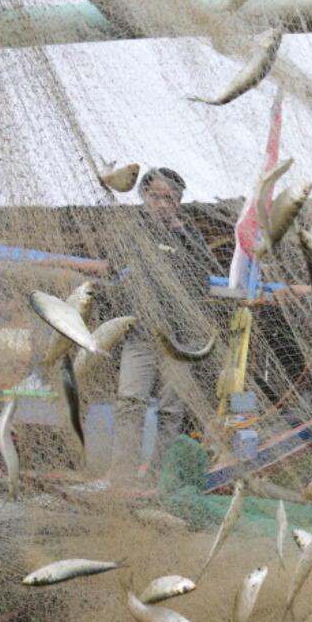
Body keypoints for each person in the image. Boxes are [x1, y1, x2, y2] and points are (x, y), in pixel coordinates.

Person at [108, 167, 220, 479]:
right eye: (156, 197)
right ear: (144, 196)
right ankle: (122, 475)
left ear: (179, 201)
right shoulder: (132, 230)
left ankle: (160, 477)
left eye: (170, 198)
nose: (163, 203)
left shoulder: (190, 235)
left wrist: (178, 227)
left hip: (179, 340)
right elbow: (116, 265)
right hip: (140, 335)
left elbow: (201, 278)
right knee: (130, 402)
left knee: (171, 410)